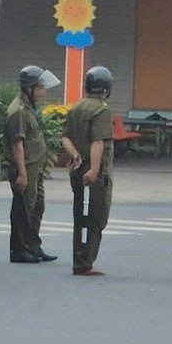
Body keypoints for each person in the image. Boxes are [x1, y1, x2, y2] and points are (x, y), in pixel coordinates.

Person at [4, 65, 61, 264]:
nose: (43, 92)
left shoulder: (29, 108)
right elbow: (17, 144)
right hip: (25, 168)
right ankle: (19, 250)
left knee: (37, 207)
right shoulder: (17, 110)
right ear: (29, 88)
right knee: (23, 209)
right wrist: (22, 173)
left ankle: (33, 246)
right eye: (40, 88)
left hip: (35, 168)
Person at [61, 66, 115, 276]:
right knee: (96, 218)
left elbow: (65, 136)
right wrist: (94, 169)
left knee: (81, 217)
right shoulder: (101, 109)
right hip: (94, 175)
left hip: (77, 170)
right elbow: (98, 142)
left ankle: (80, 260)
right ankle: (85, 262)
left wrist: (74, 153)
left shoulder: (77, 108)